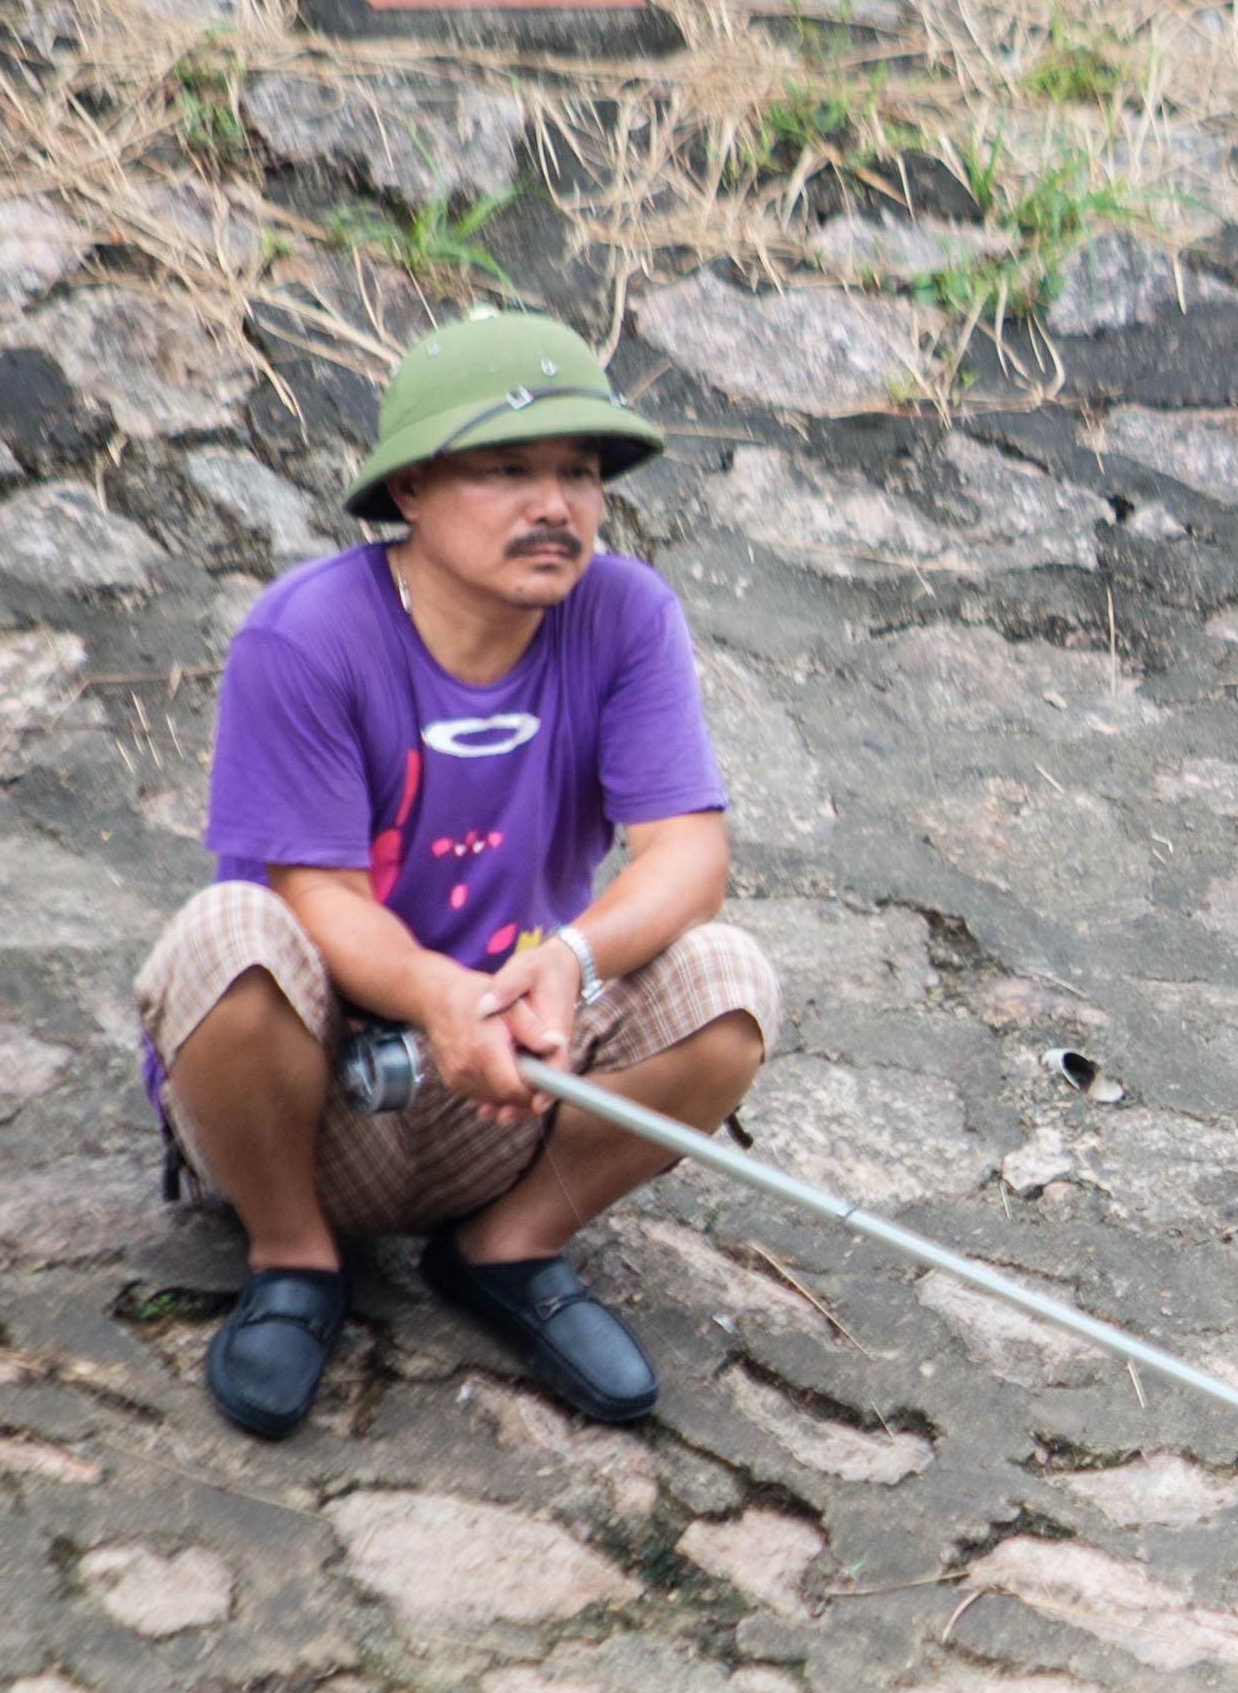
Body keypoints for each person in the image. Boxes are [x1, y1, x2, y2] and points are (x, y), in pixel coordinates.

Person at [131, 307, 782, 1439]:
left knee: (730, 985)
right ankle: (294, 1260)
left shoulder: (626, 617)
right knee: (227, 935)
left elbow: (689, 852)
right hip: (320, 1095)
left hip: (519, 1086)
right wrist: (440, 996)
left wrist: (569, 962)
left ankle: (509, 1247)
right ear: (414, 491)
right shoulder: (306, 636)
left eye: (581, 473)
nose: (556, 505)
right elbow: (316, 894)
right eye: (508, 470)